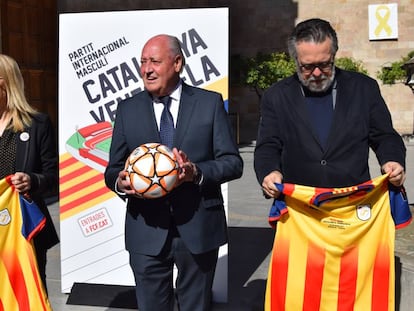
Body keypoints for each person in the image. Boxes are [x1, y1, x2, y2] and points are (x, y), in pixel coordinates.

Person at [254, 18, 407, 310]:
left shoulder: (364, 89)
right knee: (302, 293)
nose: (315, 73)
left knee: (353, 293)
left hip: (354, 216)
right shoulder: (277, 96)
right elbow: (268, 145)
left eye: (323, 64)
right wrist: (268, 172)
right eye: (306, 66)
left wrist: (392, 161)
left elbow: (385, 135)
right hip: (302, 216)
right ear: (295, 60)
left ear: (334, 55)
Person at [104, 34, 243, 311]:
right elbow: (113, 169)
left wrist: (196, 172)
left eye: (155, 61)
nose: (147, 69)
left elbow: (232, 162)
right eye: (143, 62)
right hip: (146, 229)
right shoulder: (128, 109)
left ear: (177, 63)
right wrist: (120, 182)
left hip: (198, 226)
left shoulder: (209, 103)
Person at [0, 54, 59, 292]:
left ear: (5, 84)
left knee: (26, 294)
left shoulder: (37, 124)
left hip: (23, 231)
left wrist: (32, 180)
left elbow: (52, 177)